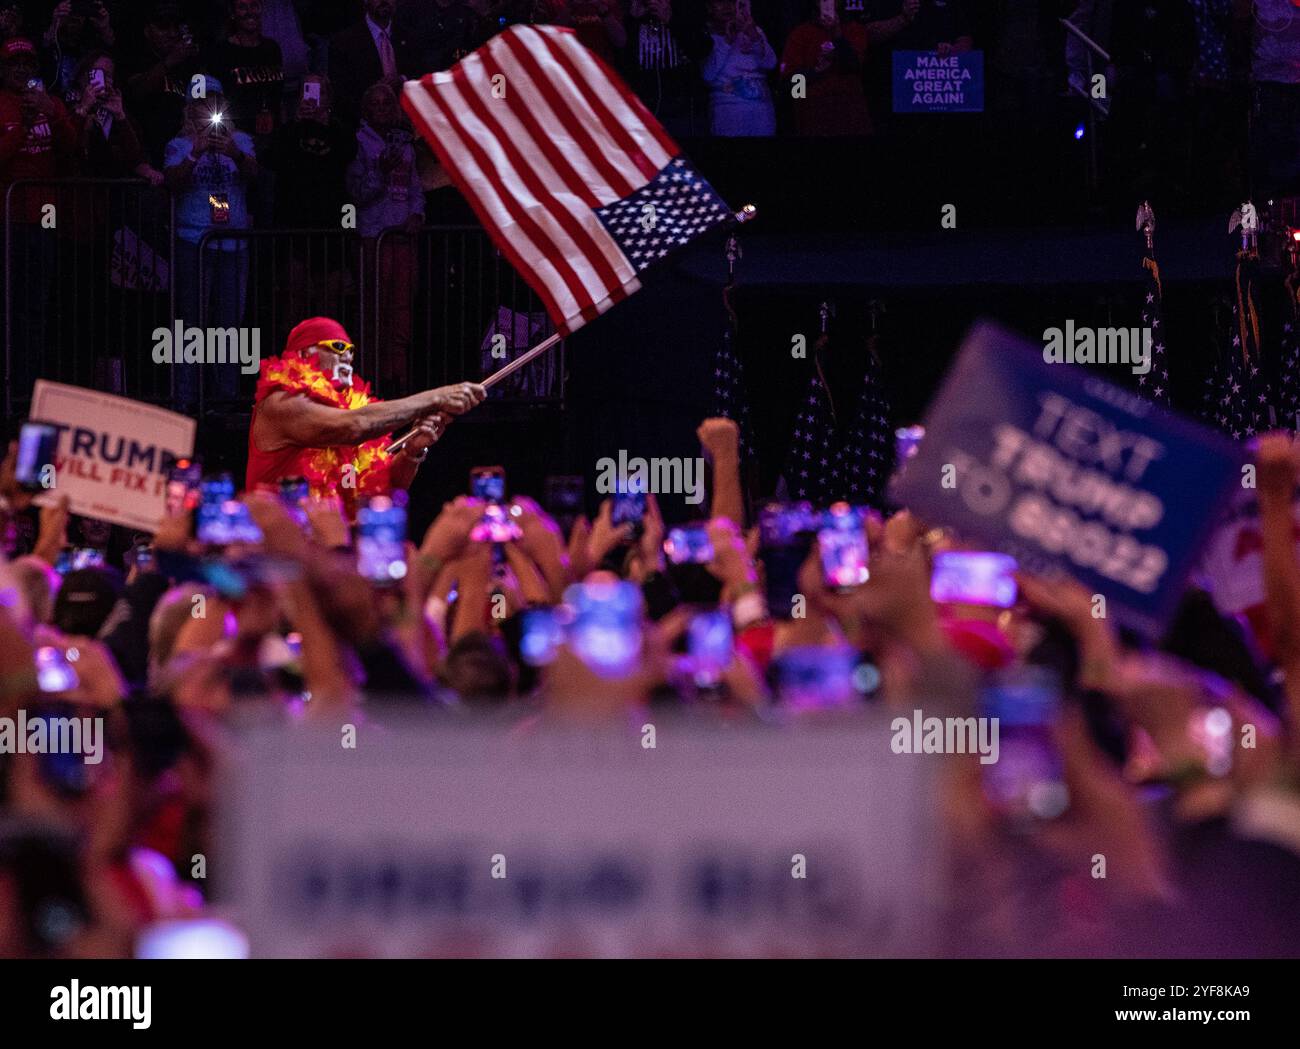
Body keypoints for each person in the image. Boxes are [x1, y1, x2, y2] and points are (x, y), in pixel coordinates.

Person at [246, 316, 487, 515]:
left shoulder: (350, 409)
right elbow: (355, 426)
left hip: (337, 551)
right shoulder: (281, 403)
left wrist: (412, 452)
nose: (348, 356)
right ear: (303, 354)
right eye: (337, 347)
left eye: (351, 350)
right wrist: (436, 397)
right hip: (280, 555)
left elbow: (387, 486)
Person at [163, 83, 258, 410]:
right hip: (194, 240)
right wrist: (195, 151)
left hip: (233, 244)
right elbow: (172, 182)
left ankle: (225, 397)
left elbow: (256, 176)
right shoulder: (178, 144)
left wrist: (235, 153)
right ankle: (186, 398)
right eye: (202, 105)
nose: (209, 110)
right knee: (192, 322)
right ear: (190, 109)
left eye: (214, 103)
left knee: (229, 324)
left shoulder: (241, 141)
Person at [346, 81, 423, 392]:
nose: (381, 109)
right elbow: (355, 194)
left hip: (402, 237)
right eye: (375, 104)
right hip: (373, 237)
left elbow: (416, 187)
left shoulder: (404, 143)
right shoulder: (358, 142)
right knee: (373, 309)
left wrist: (418, 213)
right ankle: (371, 374)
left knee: (401, 309)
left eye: (386, 104)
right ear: (366, 109)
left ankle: (397, 376)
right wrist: (379, 171)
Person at [780, 0, 872, 135]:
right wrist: (816, 71)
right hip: (813, 122)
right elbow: (790, 86)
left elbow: (854, 67)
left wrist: (838, 36)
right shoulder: (800, 34)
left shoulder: (855, 29)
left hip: (851, 121)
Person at [327, 0, 416, 131]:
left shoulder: (409, 36)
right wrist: (373, 94)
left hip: (405, 123)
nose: (384, 1)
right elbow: (341, 90)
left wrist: (401, 79)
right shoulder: (344, 42)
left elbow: (420, 70)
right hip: (361, 128)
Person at [701, 0, 778, 136]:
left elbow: (771, 64)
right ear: (709, 6)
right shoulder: (706, 35)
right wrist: (727, 42)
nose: (727, 6)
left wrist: (754, 36)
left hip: (761, 110)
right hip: (727, 110)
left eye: (731, 1)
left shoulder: (754, 30)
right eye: (721, 2)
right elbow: (707, 75)